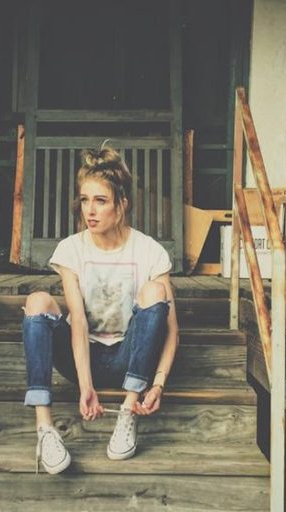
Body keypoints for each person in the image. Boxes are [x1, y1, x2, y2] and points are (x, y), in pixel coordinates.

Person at [21, 146, 179, 474]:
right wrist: (85, 386)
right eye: (84, 200)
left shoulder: (150, 251)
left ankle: (128, 411)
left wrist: (158, 384)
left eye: (101, 201)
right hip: (84, 356)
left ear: (122, 204)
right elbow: (77, 320)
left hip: (130, 357)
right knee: (37, 301)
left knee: (155, 290)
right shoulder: (71, 249)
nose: (89, 211)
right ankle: (44, 429)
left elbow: (172, 330)